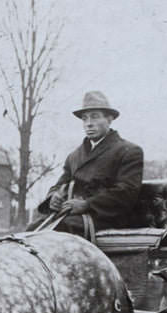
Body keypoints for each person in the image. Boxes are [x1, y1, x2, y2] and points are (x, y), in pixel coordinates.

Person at [38, 91, 143, 238]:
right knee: (31, 230)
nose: (88, 123)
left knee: (59, 231)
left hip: (108, 217)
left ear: (109, 119)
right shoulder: (74, 156)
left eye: (95, 116)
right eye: (84, 118)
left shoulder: (128, 151)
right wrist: (53, 197)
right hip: (74, 216)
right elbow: (60, 184)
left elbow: (126, 192)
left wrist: (88, 204)